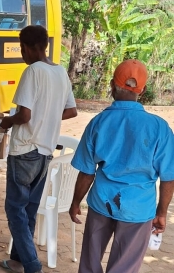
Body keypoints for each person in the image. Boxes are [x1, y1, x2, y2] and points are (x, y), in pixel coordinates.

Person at [69, 59, 174, 273]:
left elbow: (87, 172)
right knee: (124, 268)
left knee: (89, 262)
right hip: (138, 208)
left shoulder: (99, 122)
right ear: (142, 90)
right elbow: (168, 177)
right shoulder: (159, 128)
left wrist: (75, 202)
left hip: (102, 203)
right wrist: (161, 212)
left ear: (111, 85)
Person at [0, 25, 77, 273]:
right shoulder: (61, 72)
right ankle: (17, 260)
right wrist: (48, 116)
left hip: (25, 149)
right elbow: (71, 110)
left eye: (22, 48)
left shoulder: (33, 71)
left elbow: (24, 115)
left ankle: (32, 266)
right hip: (45, 152)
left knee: (14, 208)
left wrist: (7, 121)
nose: (22, 54)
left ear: (31, 48)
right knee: (29, 209)